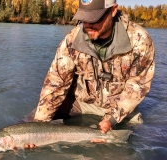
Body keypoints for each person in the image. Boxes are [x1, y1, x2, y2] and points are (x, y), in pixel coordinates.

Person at [22, 0, 155, 147]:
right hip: (80, 103)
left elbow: (136, 87)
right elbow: (55, 83)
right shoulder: (71, 40)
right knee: (27, 124)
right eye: (84, 18)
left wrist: (110, 120)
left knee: (137, 141)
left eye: (94, 18)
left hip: (121, 108)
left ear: (113, 11)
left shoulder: (140, 41)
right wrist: (38, 127)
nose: (87, 25)